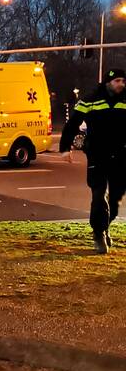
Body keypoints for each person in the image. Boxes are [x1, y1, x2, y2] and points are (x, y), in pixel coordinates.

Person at [60, 67, 126, 254]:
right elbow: (72, 124)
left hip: (121, 156)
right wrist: (65, 148)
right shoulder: (90, 100)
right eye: (117, 81)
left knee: (115, 199)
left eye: (123, 81)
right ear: (108, 82)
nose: (121, 84)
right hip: (98, 155)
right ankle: (99, 233)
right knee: (98, 195)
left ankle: (106, 225)